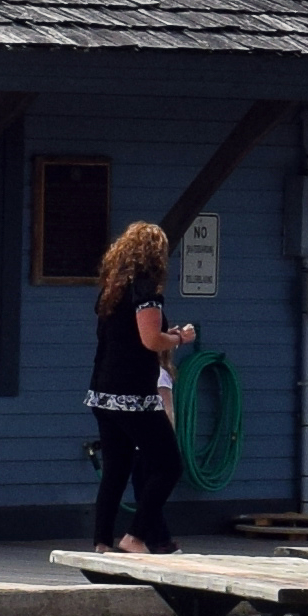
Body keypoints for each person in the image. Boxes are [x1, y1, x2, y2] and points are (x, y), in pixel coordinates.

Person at [83, 223, 196, 554]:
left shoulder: (112, 291)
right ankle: (136, 536)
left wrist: (164, 332)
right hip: (134, 393)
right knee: (168, 465)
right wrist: (178, 337)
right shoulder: (146, 290)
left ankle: (102, 542)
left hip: (102, 390)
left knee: (116, 469)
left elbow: (128, 336)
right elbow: (150, 340)